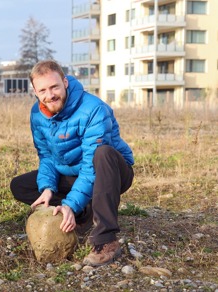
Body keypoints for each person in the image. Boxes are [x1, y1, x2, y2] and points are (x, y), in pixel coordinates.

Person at [10, 60, 134, 266]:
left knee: (102, 154)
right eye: (42, 90)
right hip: (73, 173)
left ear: (65, 82)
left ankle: (106, 241)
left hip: (110, 171)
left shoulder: (94, 109)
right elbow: (47, 156)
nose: (50, 95)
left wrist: (69, 203)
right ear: (34, 91)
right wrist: (48, 188)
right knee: (20, 186)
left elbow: (90, 165)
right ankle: (83, 214)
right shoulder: (37, 113)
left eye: (54, 87)